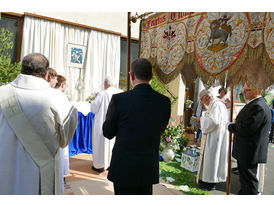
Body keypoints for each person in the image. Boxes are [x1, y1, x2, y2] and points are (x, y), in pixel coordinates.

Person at [0, 53, 78, 195]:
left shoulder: (1, 93)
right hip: (39, 175)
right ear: (46, 74)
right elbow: (65, 139)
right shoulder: (58, 98)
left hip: (5, 170)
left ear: (21, 69)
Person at [103, 58, 171, 195]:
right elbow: (161, 129)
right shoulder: (164, 102)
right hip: (147, 165)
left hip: (124, 165)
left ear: (132, 75)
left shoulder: (119, 100)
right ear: (151, 76)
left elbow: (108, 132)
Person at [227, 82, 271, 195]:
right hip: (246, 151)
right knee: (245, 182)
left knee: (249, 183)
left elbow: (247, 128)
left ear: (255, 91)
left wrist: (230, 126)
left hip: (249, 152)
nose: (242, 92)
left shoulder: (258, 106)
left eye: (246, 90)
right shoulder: (255, 104)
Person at [196, 89, 229, 191]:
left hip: (215, 138)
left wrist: (201, 119)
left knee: (212, 160)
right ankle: (206, 180)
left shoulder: (216, 105)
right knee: (210, 160)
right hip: (214, 136)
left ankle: (210, 183)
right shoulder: (215, 104)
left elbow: (214, 122)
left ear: (206, 97)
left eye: (201, 99)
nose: (201, 102)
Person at [90, 76, 123, 172]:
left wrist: (93, 101)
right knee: (113, 143)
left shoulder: (102, 94)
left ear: (105, 83)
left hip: (102, 122)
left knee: (100, 143)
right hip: (116, 123)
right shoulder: (120, 92)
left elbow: (93, 108)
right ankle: (111, 164)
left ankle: (99, 165)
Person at [54, 74, 69, 190]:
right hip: (60, 132)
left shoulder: (48, 94)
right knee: (61, 155)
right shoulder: (63, 97)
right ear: (63, 85)